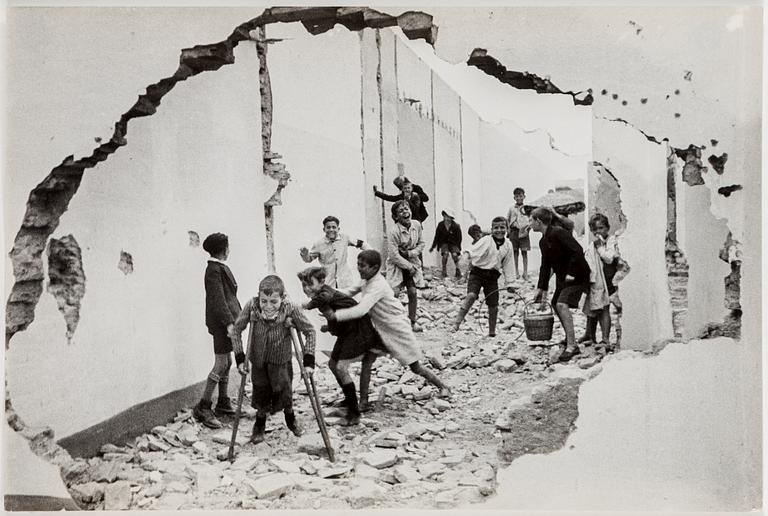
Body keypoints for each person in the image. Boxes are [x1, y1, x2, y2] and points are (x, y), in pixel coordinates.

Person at [325, 250, 451, 407]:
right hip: (381, 330)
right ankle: (363, 402)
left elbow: (361, 310)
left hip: (397, 329)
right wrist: (326, 291)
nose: (359, 268)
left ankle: (443, 386)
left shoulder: (378, 285)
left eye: (363, 266)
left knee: (415, 366)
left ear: (375, 267)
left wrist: (335, 316)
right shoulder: (366, 280)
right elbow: (349, 291)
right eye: (358, 264)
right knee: (367, 361)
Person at [230, 275, 316, 444]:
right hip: (259, 360)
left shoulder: (289, 307)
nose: (268, 306)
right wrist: (240, 358)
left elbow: (310, 331)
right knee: (260, 391)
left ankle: (290, 419)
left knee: (284, 391)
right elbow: (236, 331)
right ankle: (259, 424)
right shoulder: (252, 306)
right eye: (264, 301)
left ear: (282, 299)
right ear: (258, 297)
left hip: (280, 360)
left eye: (273, 302)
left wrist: (309, 361)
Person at [297, 266, 386, 425]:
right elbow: (334, 314)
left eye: (310, 284)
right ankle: (348, 400)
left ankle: (355, 413)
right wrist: (329, 327)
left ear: (322, 281)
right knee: (332, 364)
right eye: (304, 285)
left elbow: (320, 302)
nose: (306, 289)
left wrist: (301, 306)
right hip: (348, 331)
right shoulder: (322, 294)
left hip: (359, 330)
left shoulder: (324, 293)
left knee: (341, 367)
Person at [193, 232, 243, 429]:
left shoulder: (219, 267)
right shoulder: (213, 270)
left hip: (228, 322)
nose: (229, 250)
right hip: (223, 324)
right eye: (228, 247)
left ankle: (223, 402)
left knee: (228, 361)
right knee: (221, 363)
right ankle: (203, 406)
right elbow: (218, 300)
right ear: (224, 249)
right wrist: (229, 323)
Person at [530, 207, 590, 362]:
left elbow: (577, 250)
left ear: (538, 221)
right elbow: (546, 265)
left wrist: (571, 272)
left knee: (562, 304)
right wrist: (540, 288)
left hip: (576, 276)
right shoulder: (543, 240)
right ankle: (569, 338)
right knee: (555, 303)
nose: (529, 223)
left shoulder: (558, 232)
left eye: (531, 220)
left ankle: (572, 346)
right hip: (564, 279)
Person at [452, 217, 515, 337]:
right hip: (477, 273)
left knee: (493, 305)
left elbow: (508, 265)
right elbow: (471, 250)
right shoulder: (486, 240)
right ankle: (457, 323)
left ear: (507, 229)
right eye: (496, 228)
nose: (499, 230)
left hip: (492, 276)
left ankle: (492, 332)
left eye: (502, 227)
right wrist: (465, 258)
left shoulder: (508, 245)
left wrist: (510, 283)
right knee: (471, 296)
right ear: (491, 229)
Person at [580, 213, 624, 352]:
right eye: (595, 229)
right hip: (597, 280)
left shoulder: (611, 241)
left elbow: (609, 258)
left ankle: (605, 338)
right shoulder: (593, 244)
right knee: (593, 306)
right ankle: (589, 335)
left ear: (607, 228)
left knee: (604, 308)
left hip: (608, 280)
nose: (599, 232)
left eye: (601, 228)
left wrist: (599, 248)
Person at [386, 200, 425, 332]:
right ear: (396, 217)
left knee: (413, 292)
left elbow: (421, 243)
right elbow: (393, 255)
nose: (405, 212)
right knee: (393, 294)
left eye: (406, 209)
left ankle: (412, 322)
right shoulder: (394, 231)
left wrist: (411, 253)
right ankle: (390, 324)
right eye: (401, 211)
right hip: (397, 265)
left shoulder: (417, 225)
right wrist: (408, 266)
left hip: (412, 262)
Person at [299, 216, 368, 289]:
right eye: (328, 227)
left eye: (334, 227)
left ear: (338, 229)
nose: (331, 229)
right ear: (324, 229)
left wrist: (373, 254)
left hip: (345, 280)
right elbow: (308, 259)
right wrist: (305, 254)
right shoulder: (319, 244)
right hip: (328, 281)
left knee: (347, 298)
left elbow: (361, 244)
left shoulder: (345, 238)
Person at [429, 209, 463, 279]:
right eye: (445, 216)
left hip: (453, 243)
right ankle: (444, 271)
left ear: (451, 218)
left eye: (449, 217)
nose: (447, 218)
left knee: (455, 255)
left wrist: (458, 248)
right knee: (445, 254)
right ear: (444, 216)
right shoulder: (440, 225)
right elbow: (437, 236)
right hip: (444, 243)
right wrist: (433, 246)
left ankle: (458, 270)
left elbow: (459, 238)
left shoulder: (456, 226)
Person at [506, 187, 531, 280]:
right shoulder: (511, 208)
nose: (519, 198)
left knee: (524, 252)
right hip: (514, 232)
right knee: (515, 252)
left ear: (524, 196)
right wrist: (508, 231)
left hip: (524, 232)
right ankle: (516, 272)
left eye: (520, 196)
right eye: (516, 196)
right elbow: (507, 220)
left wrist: (528, 229)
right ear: (514, 198)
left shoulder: (527, 208)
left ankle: (525, 273)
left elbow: (531, 220)